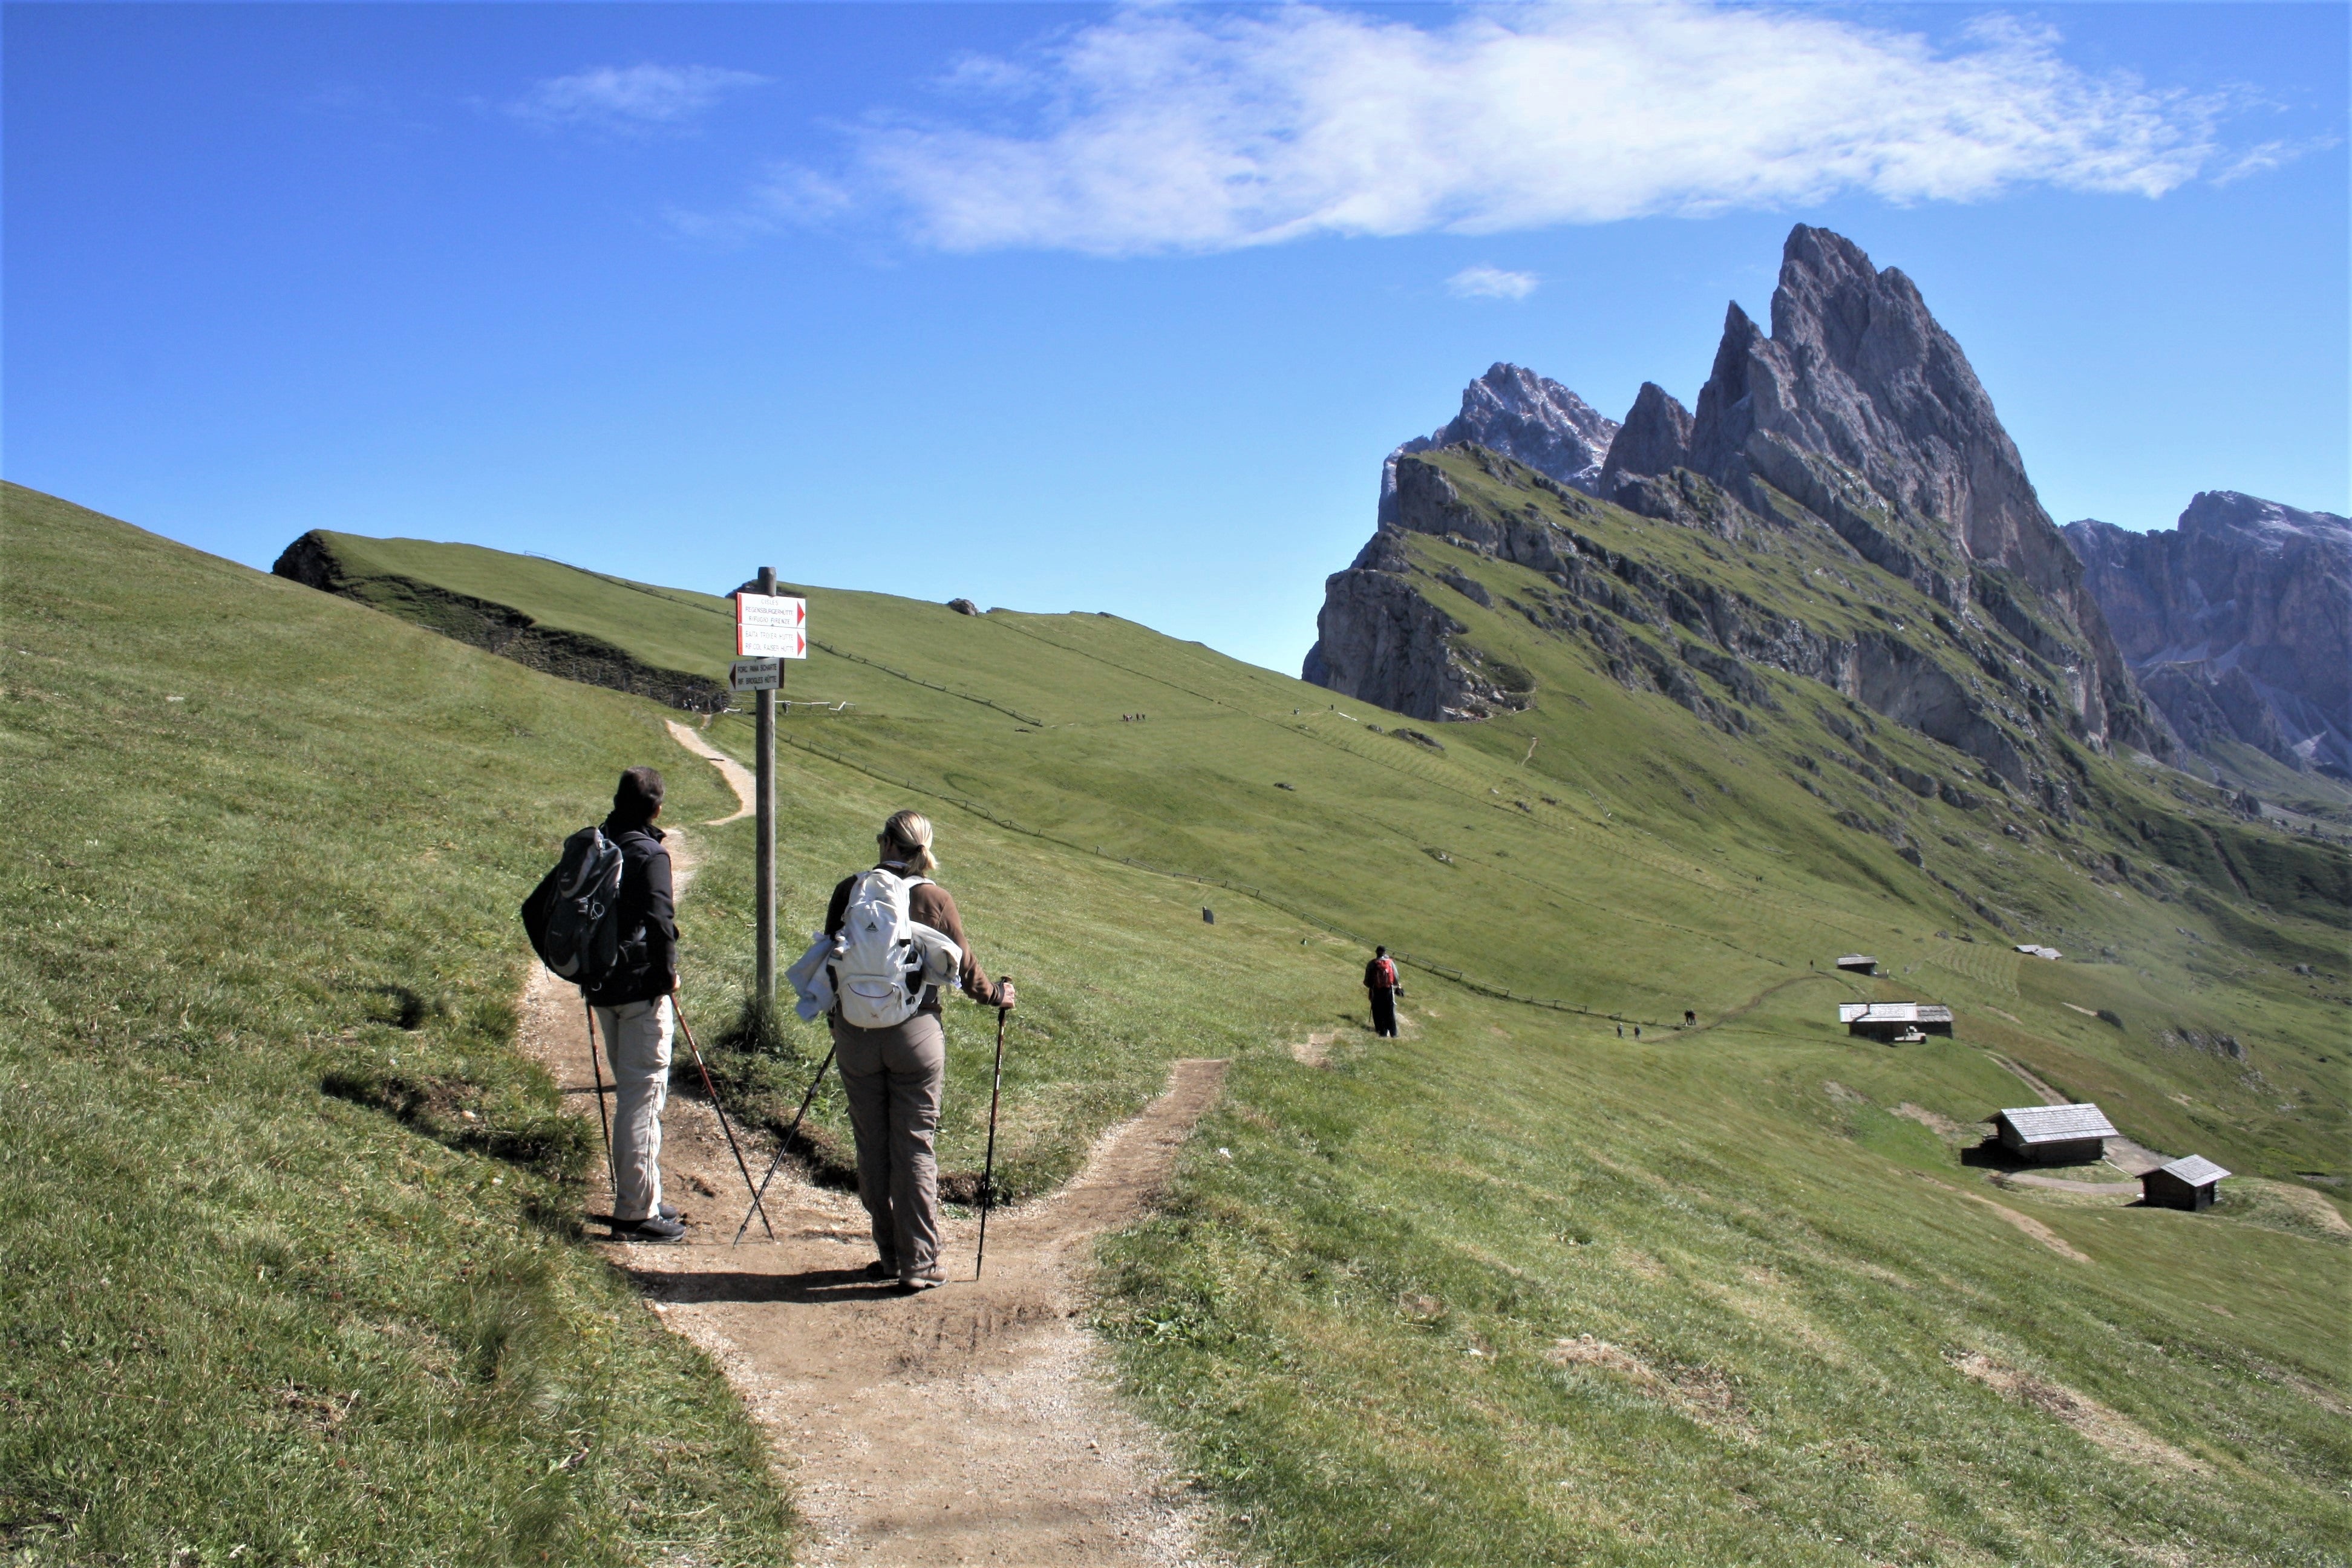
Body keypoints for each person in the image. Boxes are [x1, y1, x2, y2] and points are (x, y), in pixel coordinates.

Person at [823, 810, 1013, 1292]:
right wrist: (998, 996)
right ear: (922, 849)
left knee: (872, 1144)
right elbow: (966, 969)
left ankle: (888, 1256)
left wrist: (842, 1019)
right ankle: (919, 1262)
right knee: (914, 1145)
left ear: (885, 842)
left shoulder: (851, 891)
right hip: (916, 1033)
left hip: (855, 1034)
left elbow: (832, 959)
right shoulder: (934, 897)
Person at [584, 766, 685, 1243]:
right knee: (642, 1097)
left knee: (634, 1091)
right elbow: (662, 921)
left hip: (601, 984)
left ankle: (645, 1193)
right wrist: (668, 976)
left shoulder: (599, 843)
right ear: (657, 809)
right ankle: (634, 1212)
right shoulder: (650, 854)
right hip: (641, 989)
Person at [1364, 946, 1401, 1038]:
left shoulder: (1372, 963)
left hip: (1376, 989)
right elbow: (1396, 977)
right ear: (1385, 952)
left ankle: (1381, 1031)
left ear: (1376, 952)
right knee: (1389, 1011)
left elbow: (1367, 980)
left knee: (1378, 1010)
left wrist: (1370, 986)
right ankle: (1394, 1033)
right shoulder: (1391, 963)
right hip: (1388, 990)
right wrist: (1395, 985)